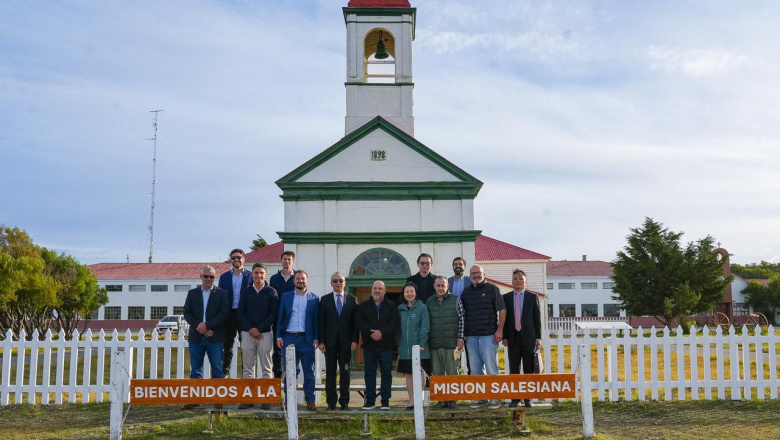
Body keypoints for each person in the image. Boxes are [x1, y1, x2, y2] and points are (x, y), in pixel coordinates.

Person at [182, 266, 229, 408]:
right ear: (200, 276)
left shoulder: (222, 293)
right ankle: (195, 400)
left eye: (212, 277)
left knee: (217, 369)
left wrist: (207, 326)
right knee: (196, 370)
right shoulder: (192, 293)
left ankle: (217, 400)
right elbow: (187, 313)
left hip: (215, 337)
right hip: (196, 337)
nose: (209, 279)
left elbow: (223, 314)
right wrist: (200, 327)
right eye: (206, 276)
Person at [460, 264, 506, 410]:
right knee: (475, 370)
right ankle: (481, 398)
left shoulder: (493, 289)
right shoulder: (466, 292)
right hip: (471, 338)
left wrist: (500, 330)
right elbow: (462, 314)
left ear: (484, 274)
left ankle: (495, 398)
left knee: (492, 368)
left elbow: (502, 310)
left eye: (478, 273)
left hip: (488, 336)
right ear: (470, 275)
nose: (476, 275)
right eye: (473, 273)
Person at [276, 269, 319, 411]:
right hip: (289, 337)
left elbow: (316, 321)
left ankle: (310, 401)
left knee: (309, 372)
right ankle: (289, 401)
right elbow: (280, 317)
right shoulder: (286, 297)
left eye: (303, 278)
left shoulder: (314, 298)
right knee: (290, 372)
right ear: (294, 281)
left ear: (307, 280)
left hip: (307, 339)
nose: (300, 281)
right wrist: (278, 336)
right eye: (298, 278)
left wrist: (317, 337)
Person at [236, 263, 278, 409]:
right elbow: (240, 313)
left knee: (267, 368)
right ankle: (248, 399)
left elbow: (273, 314)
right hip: (247, 334)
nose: (258, 275)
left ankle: (267, 400)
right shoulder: (246, 291)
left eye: (261, 273)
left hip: (265, 333)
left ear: (265, 275)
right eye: (256, 273)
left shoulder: (272, 292)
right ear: (252, 274)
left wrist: (259, 329)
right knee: (248, 368)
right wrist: (250, 329)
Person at [318, 272, 359, 410]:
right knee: (330, 372)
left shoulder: (353, 300)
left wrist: (355, 339)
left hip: (346, 343)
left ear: (344, 283)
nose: (338, 283)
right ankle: (331, 402)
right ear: (331, 283)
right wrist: (321, 341)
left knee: (345, 372)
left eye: (340, 280)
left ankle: (344, 402)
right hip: (329, 343)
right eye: (335, 281)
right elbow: (321, 322)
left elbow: (355, 323)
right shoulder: (324, 300)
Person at [355, 280, 398, 410]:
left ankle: (385, 401)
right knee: (369, 374)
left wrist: (381, 332)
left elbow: (394, 323)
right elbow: (359, 322)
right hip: (369, 346)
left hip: (386, 346)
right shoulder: (363, 306)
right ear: (371, 290)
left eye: (380, 288)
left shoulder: (392, 306)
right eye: (375, 288)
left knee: (386, 374)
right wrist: (370, 333)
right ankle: (370, 401)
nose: (377, 290)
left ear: (384, 291)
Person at [502, 269, 542, 408]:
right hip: (512, 338)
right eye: (515, 278)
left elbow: (537, 319)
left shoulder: (532, 297)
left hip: (529, 338)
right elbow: (505, 319)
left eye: (520, 278)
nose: (517, 281)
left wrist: (538, 337)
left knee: (528, 369)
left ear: (525, 281)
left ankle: (527, 398)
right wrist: (505, 336)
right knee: (514, 369)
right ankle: (515, 398)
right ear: (512, 282)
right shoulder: (506, 297)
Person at [426, 276, 465, 409]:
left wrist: (460, 338)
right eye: (438, 285)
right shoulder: (429, 301)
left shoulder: (456, 300)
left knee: (452, 372)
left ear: (448, 286)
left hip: (451, 344)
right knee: (437, 374)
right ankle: (441, 400)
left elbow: (462, 320)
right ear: (434, 286)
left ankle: (453, 400)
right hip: (434, 343)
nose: (441, 288)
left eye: (443, 285)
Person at [217, 248, 252, 377]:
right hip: (229, 314)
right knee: (228, 345)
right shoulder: (224, 277)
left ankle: (246, 373)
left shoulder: (250, 276)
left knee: (246, 345)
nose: (236, 260)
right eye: (233, 258)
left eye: (239, 257)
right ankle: (225, 372)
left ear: (244, 259)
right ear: (231, 260)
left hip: (244, 314)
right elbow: (220, 296)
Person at [397, 282, 431, 410]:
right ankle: (412, 400)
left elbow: (425, 327)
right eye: (407, 292)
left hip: (420, 348)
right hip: (405, 349)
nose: (409, 294)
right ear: (403, 294)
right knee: (408, 375)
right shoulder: (400, 308)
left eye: (412, 291)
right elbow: (398, 329)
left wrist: (422, 343)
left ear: (416, 293)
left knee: (420, 374)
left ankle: (419, 399)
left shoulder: (422, 307)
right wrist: (398, 343)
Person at [269, 250, 296, 378]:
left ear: (293, 261)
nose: (287, 261)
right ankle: (278, 375)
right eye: (285, 259)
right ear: (281, 261)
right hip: (277, 317)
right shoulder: (274, 279)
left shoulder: (298, 278)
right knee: (277, 348)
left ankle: (292, 375)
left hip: (293, 318)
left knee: (292, 347)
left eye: (289, 259)